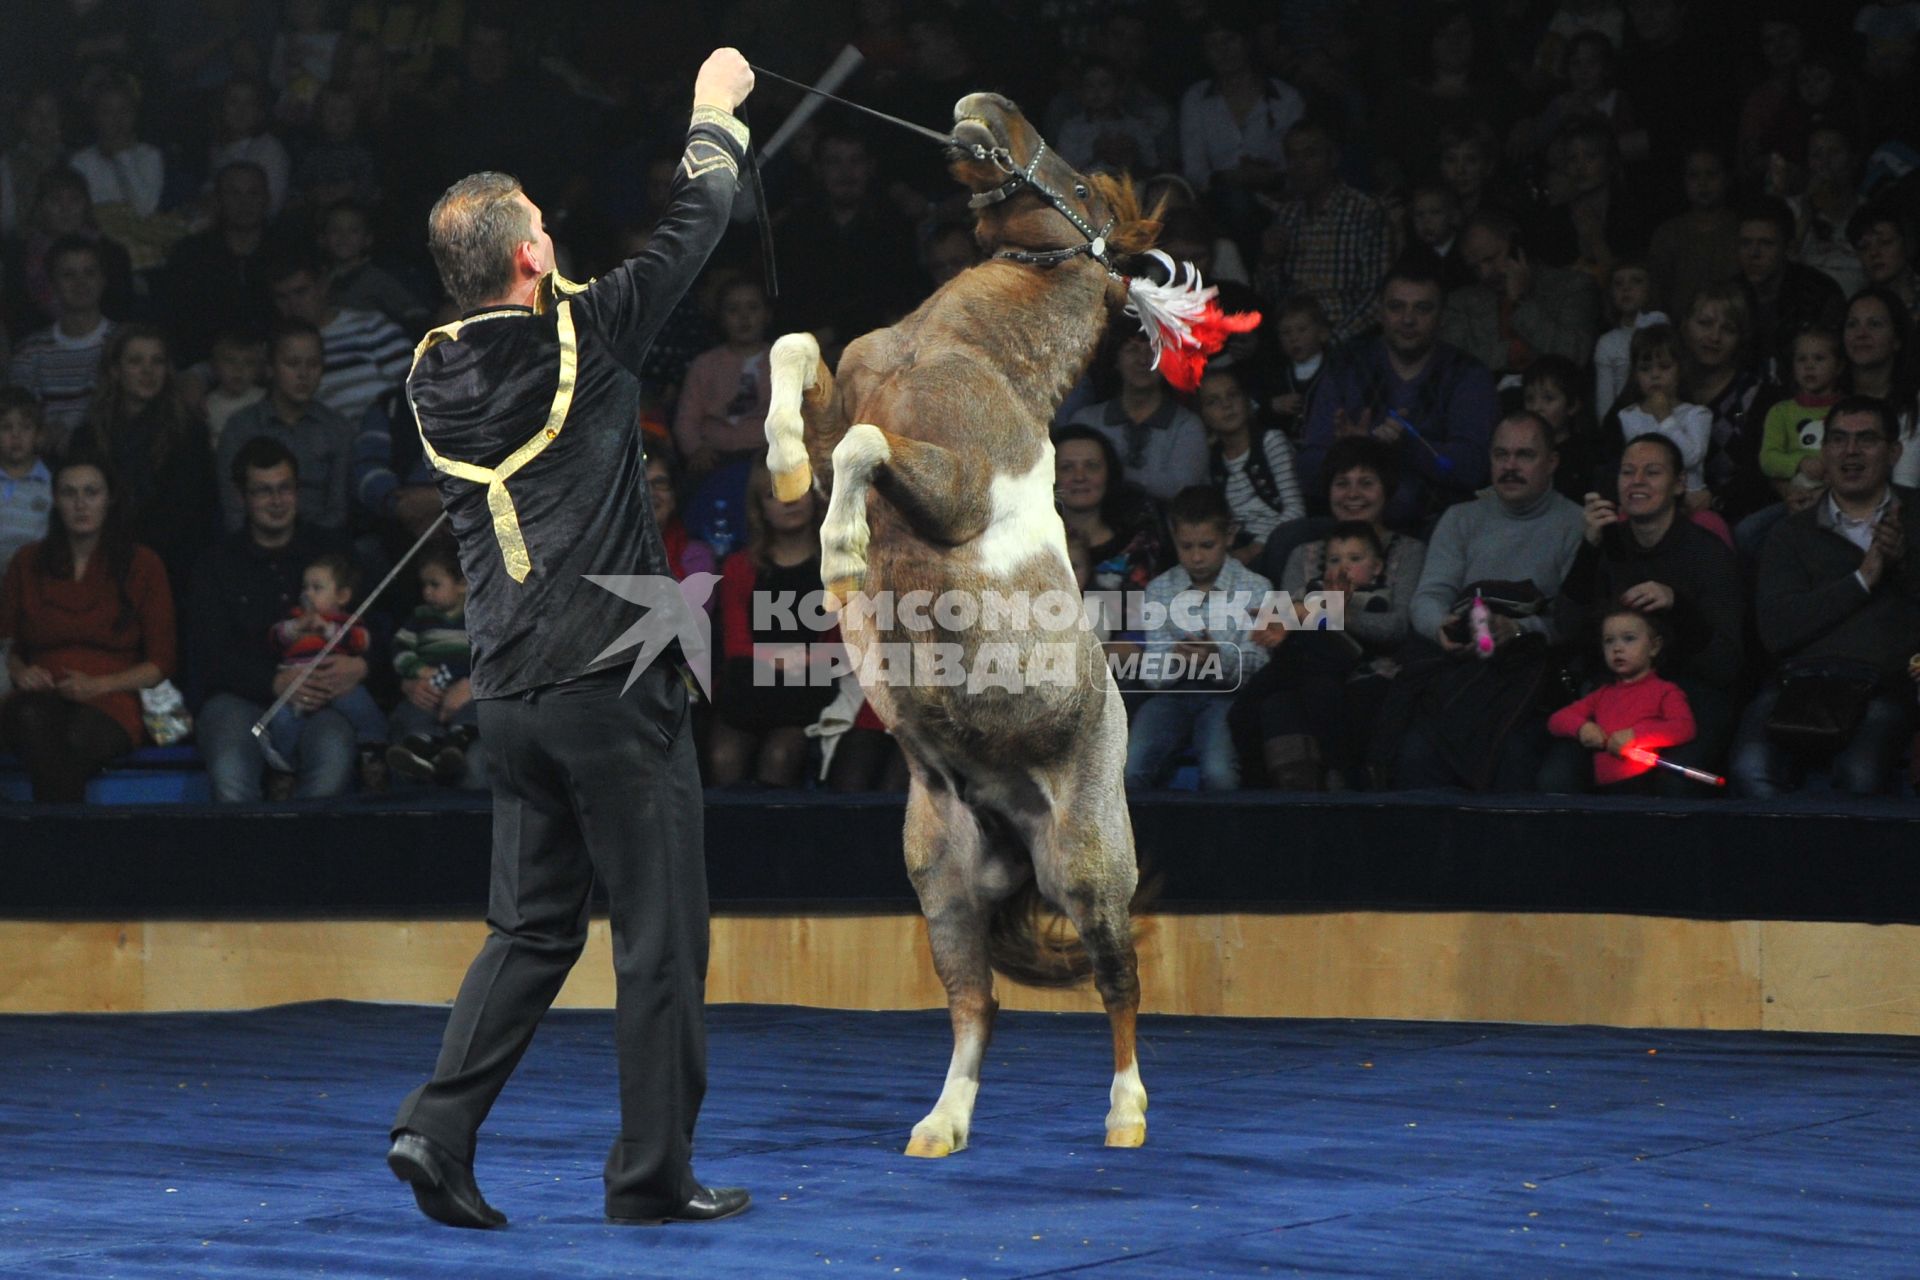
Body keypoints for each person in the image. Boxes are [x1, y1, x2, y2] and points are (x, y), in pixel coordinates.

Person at [387, 48, 755, 1231]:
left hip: (510, 696)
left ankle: (434, 1126)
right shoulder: (585, 337)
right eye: (542, 229)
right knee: (657, 936)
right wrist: (713, 112)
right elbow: (697, 221)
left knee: (529, 927)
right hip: (611, 683)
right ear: (531, 255)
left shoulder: (432, 371)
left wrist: (542, 275)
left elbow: (534, 300)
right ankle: (651, 1176)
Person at [1729, 396, 1920, 797]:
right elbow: (1777, 630)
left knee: (1859, 776)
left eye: (1866, 439)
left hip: (1884, 687)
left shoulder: (1914, 520)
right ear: (1825, 450)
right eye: (1838, 439)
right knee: (1750, 770)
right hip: (1797, 684)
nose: (1850, 451)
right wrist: (1862, 581)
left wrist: (1902, 567)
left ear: (1893, 452)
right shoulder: (1791, 532)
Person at [1385, 412, 1586, 791]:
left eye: (1524, 455)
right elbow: (1429, 596)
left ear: (1552, 462)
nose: (1510, 466)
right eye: (1500, 454)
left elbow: (1572, 620)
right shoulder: (1461, 518)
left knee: (1511, 755)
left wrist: (1519, 629)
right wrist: (1439, 625)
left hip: (1529, 675)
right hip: (1460, 666)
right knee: (1414, 755)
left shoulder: (1576, 524)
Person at [1547, 434, 1743, 794]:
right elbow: (1567, 628)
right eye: (1627, 472)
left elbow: (1727, 663)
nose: (1637, 481)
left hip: (1687, 697)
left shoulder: (1708, 553)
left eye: (1651, 472)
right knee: (1558, 777)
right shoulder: (1607, 543)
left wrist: (1677, 605)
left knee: (1674, 784)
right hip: (1617, 693)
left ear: (1679, 483)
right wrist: (1589, 548)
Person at [187, 437, 363, 804]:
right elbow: (208, 654)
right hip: (238, 698)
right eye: (263, 491)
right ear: (242, 497)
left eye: (285, 488)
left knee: (332, 761)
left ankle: (301, 861)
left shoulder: (333, 550)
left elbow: (374, 623)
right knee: (231, 776)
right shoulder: (215, 563)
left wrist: (361, 664)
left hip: (319, 698)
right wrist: (274, 680)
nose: (277, 500)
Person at [0, 454, 176, 802]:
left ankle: (51, 847)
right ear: (55, 500)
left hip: (114, 694)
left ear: (109, 499)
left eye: (91, 492)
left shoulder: (143, 564)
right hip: (39, 694)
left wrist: (98, 686)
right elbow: (7, 645)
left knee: (73, 739)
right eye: (69, 493)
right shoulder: (27, 562)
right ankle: (72, 848)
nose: (80, 504)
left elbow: (161, 663)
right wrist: (21, 672)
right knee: (33, 720)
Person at [1297, 261, 1499, 532]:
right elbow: (1307, 468)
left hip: (1435, 528)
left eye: (1422, 308)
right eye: (1396, 307)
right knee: (1285, 540)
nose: (1408, 319)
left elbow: (1475, 469)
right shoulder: (1345, 366)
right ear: (1380, 311)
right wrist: (1350, 453)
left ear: (1442, 315)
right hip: (1345, 526)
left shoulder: (1467, 374)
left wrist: (1410, 448)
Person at [1124, 486, 1270, 792]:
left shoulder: (1257, 588)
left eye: (1207, 545)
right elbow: (1152, 675)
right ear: (1173, 539)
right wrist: (1176, 659)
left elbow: (1259, 662)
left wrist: (1218, 657)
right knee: (1130, 769)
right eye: (1186, 546)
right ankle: (1143, 840)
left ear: (1229, 537)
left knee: (1220, 774)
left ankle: (1225, 840)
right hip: (1171, 696)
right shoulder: (1160, 589)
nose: (1197, 556)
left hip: (1227, 697)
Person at [708, 463, 834, 789]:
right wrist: (793, 659)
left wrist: (796, 661)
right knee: (723, 755)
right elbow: (737, 646)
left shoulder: (837, 567)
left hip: (808, 693)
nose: (789, 500)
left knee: (781, 754)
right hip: (749, 691)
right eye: (773, 494)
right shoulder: (740, 567)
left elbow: (839, 649)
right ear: (760, 508)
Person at [71, 325, 221, 598]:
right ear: (115, 370)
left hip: (174, 571)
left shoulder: (188, 432)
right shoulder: (88, 437)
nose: (148, 371)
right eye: (136, 361)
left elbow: (195, 513)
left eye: (157, 361)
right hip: (104, 567)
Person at [1253, 119, 1393, 344]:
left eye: (1310, 154)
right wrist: (1269, 261)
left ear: (1333, 158)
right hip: (1294, 338)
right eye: (1292, 156)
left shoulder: (1365, 212)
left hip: (1348, 336)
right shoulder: (1286, 216)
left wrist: (1335, 338)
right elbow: (1269, 298)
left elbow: (1378, 294)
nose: (1300, 165)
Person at [216, 319, 355, 533]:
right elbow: (233, 511)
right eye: (292, 363)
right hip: (253, 549)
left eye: (313, 364)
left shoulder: (337, 429)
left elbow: (338, 511)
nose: (303, 374)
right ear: (270, 368)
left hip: (321, 548)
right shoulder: (240, 428)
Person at [1545, 606, 1695, 793]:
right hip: (1603, 791)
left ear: (1654, 646)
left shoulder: (1665, 690)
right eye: (1609, 641)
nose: (1617, 648)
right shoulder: (1602, 693)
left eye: (1629, 638)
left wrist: (1636, 736)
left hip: (1645, 785)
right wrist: (1582, 728)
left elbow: (1683, 727)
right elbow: (1557, 720)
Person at [263, 550, 387, 773]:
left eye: (317, 588)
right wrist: (295, 627)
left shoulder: (345, 621)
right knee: (282, 720)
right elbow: (274, 637)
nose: (308, 594)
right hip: (300, 686)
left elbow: (362, 641)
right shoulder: (295, 619)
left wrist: (328, 629)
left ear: (342, 596)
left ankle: (372, 750)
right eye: (305, 587)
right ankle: (283, 767)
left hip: (336, 685)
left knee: (362, 705)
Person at [1441, 208, 1600, 380]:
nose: (1485, 273)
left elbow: (1574, 356)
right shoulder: (1460, 302)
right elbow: (1451, 362)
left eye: (1490, 259)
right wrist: (1512, 351)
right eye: (1475, 267)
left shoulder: (1571, 286)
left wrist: (1521, 302)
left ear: (1515, 243)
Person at [1065, 326, 1209, 503]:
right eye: (1132, 350)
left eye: (1153, 350)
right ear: (1115, 359)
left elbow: (1184, 489)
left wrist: (1111, 470)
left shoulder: (1186, 425)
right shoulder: (1086, 421)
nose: (1143, 359)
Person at [265, 255, 413, 426]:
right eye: (282, 297)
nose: (293, 304)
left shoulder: (371, 326)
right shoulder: (278, 348)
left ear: (322, 286)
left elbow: (414, 385)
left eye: (301, 292)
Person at [6, 235, 116, 451]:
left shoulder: (124, 343)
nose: (80, 283)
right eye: (68, 275)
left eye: (89, 273)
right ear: (52, 284)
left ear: (103, 280)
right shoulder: (29, 352)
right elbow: (16, 421)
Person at [386, 539, 481, 788]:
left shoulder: (477, 617)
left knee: (475, 712)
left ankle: (455, 746)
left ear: (462, 584)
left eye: (435, 584)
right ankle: (419, 749)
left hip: (466, 688)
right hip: (431, 684)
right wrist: (418, 671)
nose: (427, 592)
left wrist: (472, 684)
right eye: (424, 585)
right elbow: (400, 648)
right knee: (414, 711)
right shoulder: (421, 618)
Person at [1198, 360, 1305, 566]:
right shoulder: (1211, 459)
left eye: (1233, 395)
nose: (1226, 405)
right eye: (1213, 401)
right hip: (1235, 547)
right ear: (1204, 416)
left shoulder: (1271, 441)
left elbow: (1296, 510)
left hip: (1280, 544)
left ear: (1246, 400)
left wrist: (1254, 548)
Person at [672, 276, 772, 481]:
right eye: (733, 310)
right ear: (720, 318)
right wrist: (695, 449)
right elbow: (686, 418)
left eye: (752, 308)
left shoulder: (783, 361)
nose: (744, 317)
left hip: (767, 454)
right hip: (714, 457)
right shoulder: (705, 364)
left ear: (767, 314)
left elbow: (801, 413)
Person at [1523, 354, 1600, 503]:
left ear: (1572, 405)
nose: (1536, 407)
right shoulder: (1517, 449)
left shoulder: (1585, 456)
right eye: (1530, 399)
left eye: (1548, 399)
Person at [0, 389, 52, 581]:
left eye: (25, 427)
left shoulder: (51, 484)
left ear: (39, 434)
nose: (16, 435)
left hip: (34, 585)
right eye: (6, 427)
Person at [1592, 258, 1653, 415]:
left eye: (1636, 281)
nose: (1626, 288)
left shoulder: (1664, 329)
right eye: (1618, 283)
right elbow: (1605, 405)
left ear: (1651, 288)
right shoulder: (1608, 342)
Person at [204, 329, 267, 449]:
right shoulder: (207, 405)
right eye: (230, 361)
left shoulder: (265, 400)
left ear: (258, 369)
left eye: (248, 363)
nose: (239, 369)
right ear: (215, 366)